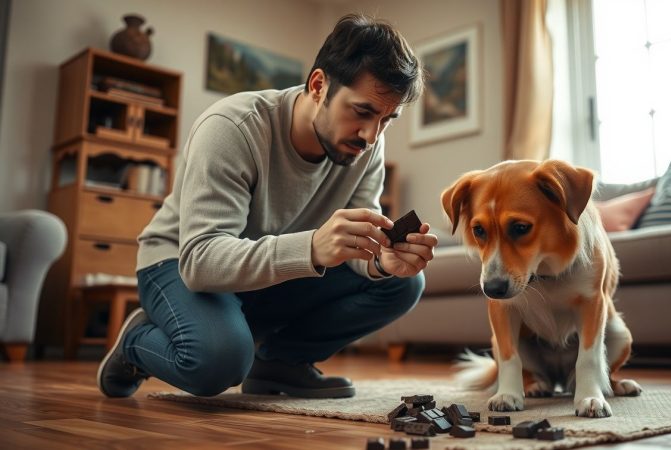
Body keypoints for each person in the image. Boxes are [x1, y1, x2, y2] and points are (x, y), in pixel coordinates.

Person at [97, 13, 436, 399]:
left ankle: (281, 365)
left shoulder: (366, 147)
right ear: (319, 85)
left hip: (267, 273)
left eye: (387, 119)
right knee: (218, 363)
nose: (371, 135)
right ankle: (137, 343)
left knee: (403, 282)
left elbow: (356, 245)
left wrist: (379, 262)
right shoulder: (232, 128)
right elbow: (201, 260)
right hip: (177, 263)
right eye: (362, 112)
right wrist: (310, 248)